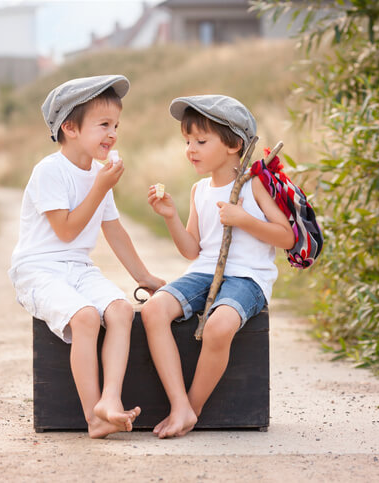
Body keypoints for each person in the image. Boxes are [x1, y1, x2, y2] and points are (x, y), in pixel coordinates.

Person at [9, 75, 165, 438]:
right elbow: (66, 230)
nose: (112, 134)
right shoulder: (50, 171)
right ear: (70, 128)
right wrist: (100, 187)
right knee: (84, 318)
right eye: (103, 125)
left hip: (77, 269)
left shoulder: (98, 173)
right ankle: (92, 418)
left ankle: (109, 400)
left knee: (121, 310)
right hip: (39, 270)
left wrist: (145, 278)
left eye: (116, 126)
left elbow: (114, 231)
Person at [142, 95, 295, 438]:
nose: (190, 149)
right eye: (187, 142)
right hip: (204, 271)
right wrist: (170, 217)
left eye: (200, 141)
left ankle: (191, 410)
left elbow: (286, 237)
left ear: (234, 144)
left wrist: (243, 219)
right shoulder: (199, 190)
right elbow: (192, 249)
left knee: (218, 326)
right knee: (153, 311)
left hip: (247, 277)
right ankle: (177, 402)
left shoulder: (254, 185)